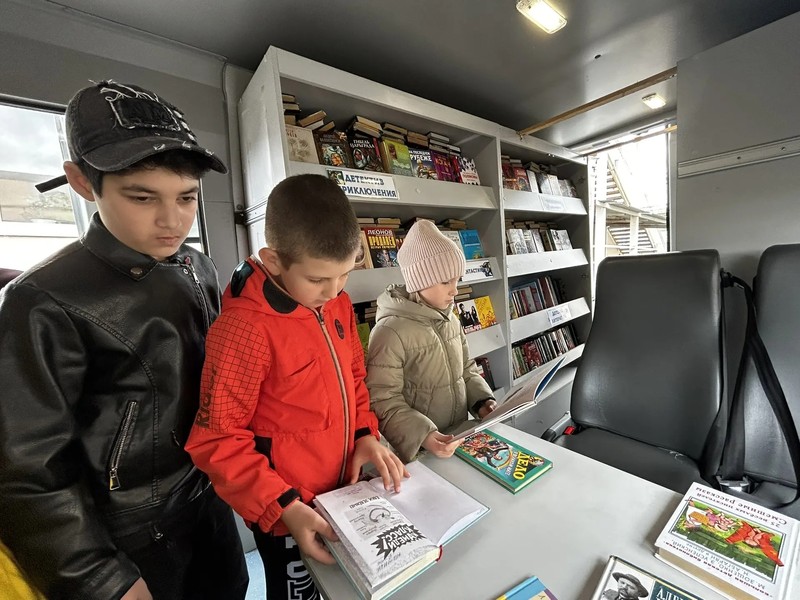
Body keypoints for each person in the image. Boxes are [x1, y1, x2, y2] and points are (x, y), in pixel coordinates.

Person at [0, 80, 249, 600]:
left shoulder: (197, 266)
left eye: (186, 197)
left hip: (208, 497)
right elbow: (27, 468)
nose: (172, 221)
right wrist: (99, 578)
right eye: (142, 197)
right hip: (128, 536)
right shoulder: (41, 299)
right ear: (81, 182)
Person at [185, 174, 407, 600]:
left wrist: (365, 434)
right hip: (287, 510)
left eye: (345, 274)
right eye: (318, 279)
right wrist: (283, 507)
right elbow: (217, 439)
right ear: (273, 261)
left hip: (344, 494)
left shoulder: (337, 303)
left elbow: (354, 378)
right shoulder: (243, 329)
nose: (334, 290)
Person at [366, 219, 498, 462]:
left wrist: (483, 402)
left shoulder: (451, 319)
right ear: (420, 281)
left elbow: (466, 369)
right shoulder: (389, 332)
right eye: (445, 281)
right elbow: (383, 400)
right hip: (419, 453)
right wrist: (424, 435)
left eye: (457, 280)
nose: (454, 290)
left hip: (459, 438)